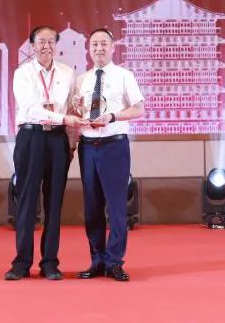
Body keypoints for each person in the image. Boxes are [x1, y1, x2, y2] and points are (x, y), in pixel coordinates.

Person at [5, 25, 85, 281]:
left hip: (57, 140)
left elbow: (72, 108)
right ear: (32, 45)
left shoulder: (67, 73)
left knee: (54, 203)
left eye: (51, 41)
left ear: (56, 45)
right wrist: (63, 117)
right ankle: (21, 262)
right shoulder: (23, 73)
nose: (46, 46)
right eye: (41, 41)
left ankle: (50, 262)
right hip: (31, 137)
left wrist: (72, 139)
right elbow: (29, 108)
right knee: (27, 200)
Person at [75, 27, 145, 282]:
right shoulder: (82, 80)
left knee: (116, 207)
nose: (99, 48)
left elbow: (139, 109)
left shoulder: (125, 75)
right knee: (91, 207)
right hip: (87, 147)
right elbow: (78, 112)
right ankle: (97, 260)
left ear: (113, 47)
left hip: (114, 146)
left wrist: (113, 116)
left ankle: (115, 261)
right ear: (89, 49)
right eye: (94, 44)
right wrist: (77, 112)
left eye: (104, 43)